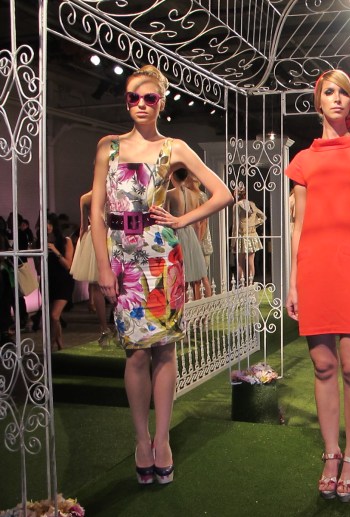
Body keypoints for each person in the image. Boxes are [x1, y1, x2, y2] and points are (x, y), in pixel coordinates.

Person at [89, 64, 232, 486]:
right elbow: (97, 212)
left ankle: (163, 438)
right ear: (126, 101)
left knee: (165, 350)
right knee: (135, 353)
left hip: (160, 255)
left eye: (149, 97)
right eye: (133, 96)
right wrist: (103, 265)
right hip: (123, 258)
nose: (140, 104)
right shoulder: (108, 147)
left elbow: (222, 194)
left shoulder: (174, 148)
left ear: (161, 103)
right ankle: (141, 440)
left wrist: (182, 220)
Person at [285, 69, 350, 503]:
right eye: (329, 92)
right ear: (318, 101)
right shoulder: (303, 161)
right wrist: (293, 281)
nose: (337, 98)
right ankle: (331, 453)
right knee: (323, 366)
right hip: (314, 269)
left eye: (344, 92)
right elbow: (298, 226)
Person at [70, 191, 111, 346]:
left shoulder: (85, 198)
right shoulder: (112, 192)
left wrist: (81, 249)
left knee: (96, 288)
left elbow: (82, 228)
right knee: (120, 284)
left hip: (94, 238)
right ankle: (121, 326)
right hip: (111, 237)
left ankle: (104, 329)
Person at [166, 168, 208, 300]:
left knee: (180, 274)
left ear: (172, 176)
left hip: (177, 233)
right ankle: (198, 308)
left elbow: (165, 220)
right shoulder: (195, 195)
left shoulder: (169, 194)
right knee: (194, 276)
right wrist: (197, 241)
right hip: (191, 234)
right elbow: (197, 223)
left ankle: (182, 305)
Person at [41, 213, 75, 351]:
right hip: (48, 280)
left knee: (54, 315)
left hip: (63, 281)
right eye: (45, 223)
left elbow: (68, 265)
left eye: (50, 223)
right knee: (51, 317)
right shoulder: (41, 242)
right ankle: (58, 344)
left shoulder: (66, 241)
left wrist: (55, 250)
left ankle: (56, 344)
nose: (48, 226)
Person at [232, 186, 266, 284]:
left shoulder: (237, 206)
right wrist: (254, 224)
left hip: (242, 235)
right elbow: (263, 217)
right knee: (251, 261)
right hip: (252, 235)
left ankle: (241, 284)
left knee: (240, 262)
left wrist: (233, 241)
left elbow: (235, 224)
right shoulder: (252, 204)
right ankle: (250, 283)